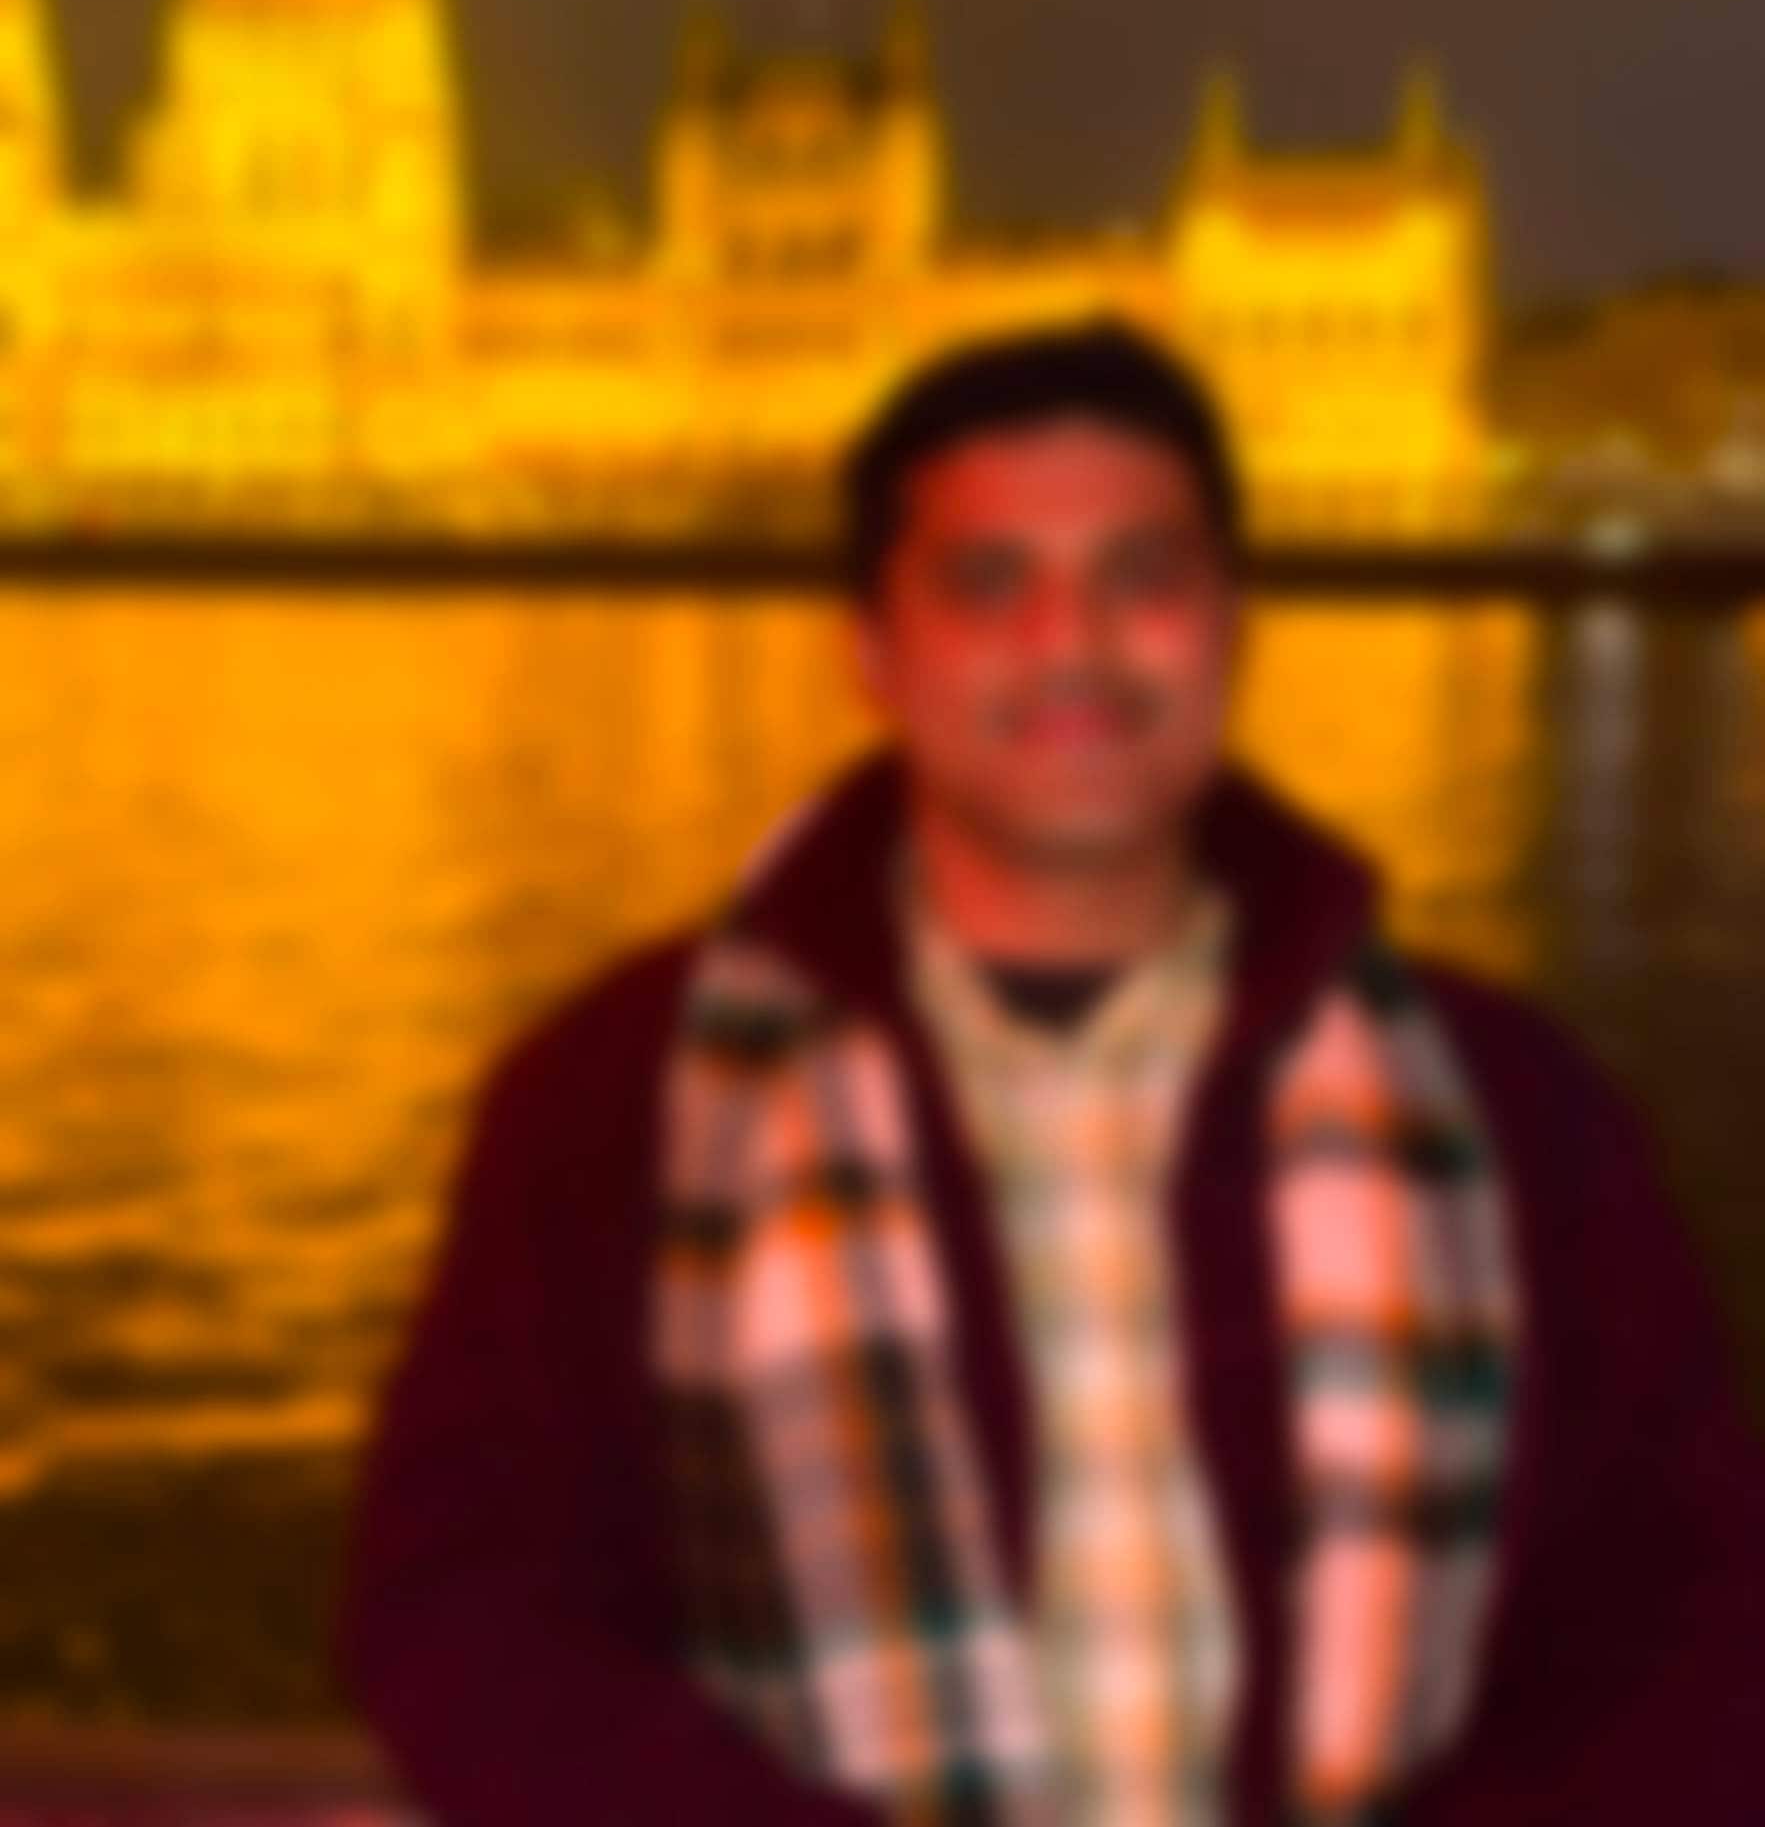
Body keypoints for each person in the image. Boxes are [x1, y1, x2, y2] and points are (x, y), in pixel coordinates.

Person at [331, 318, 1765, 1826]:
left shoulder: (1516, 1105)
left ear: (1231, 626)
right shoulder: (613, 1101)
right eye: (986, 581)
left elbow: (1692, 1614)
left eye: (1140, 576)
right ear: (871, 653)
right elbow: (463, 1611)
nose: (1069, 641)